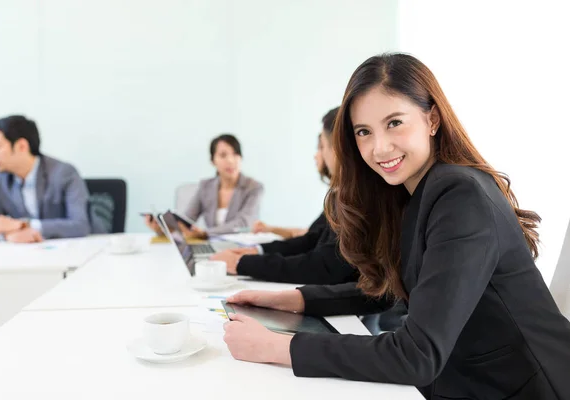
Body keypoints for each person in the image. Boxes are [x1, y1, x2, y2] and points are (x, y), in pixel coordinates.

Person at [222, 54, 570, 399]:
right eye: (364, 132)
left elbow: (416, 356)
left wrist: (278, 347)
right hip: (467, 382)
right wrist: (296, 300)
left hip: (527, 388)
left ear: (432, 119)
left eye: (394, 123)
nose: (379, 148)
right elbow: (399, 289)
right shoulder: (410, 193)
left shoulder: (460, 195)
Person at [211, 108, 357, 285]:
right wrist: (257, 251)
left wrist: (245, 263)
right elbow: (313, 240)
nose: (318, 154)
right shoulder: (340, 196)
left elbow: (324, 265)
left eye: (322, 146)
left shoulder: (357, 199)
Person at [0, 115, 90, 243]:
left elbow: (80, 225)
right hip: (27, 253)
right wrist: (6, 234)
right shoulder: (0, 178)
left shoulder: (63, 173)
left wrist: (25, 225)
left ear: (21, 146)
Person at [145, 134, 263, 238]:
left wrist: (206, 233)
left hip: (241, 248)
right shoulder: (206, 186)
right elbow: (187, 220)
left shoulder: (254, 187)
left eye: (235, 154)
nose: (231, 160)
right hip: (211, 246)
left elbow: (243, 223)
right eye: (223, 155)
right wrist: (163, 229)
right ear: (213, 161)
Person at [251, 134, 331, 239]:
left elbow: (310, 238)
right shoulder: (332, 196)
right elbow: (310, 233)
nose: (315, 155)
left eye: (321, 147)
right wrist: (270, 229)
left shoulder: (340, 199)